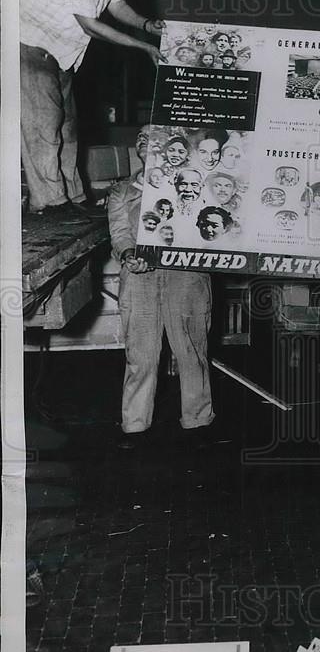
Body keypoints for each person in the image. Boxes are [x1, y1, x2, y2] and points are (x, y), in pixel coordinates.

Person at [20, 0, 165, 215]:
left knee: (68, 126)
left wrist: (147, 24)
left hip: (63, 50)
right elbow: (91, 26)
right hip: (29, 43)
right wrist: (141, 46)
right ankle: (48, 201)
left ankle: (72, 196)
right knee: (44, 126)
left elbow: (117, 4)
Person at [107, 128, 216, 449]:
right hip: (139, 276)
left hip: (186, 274)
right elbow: (120, 233)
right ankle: (135, 425)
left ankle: (198, 421)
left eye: (153, 136)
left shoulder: (197, 182)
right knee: (140, 353)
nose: (145, 141)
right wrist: (129, 255)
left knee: (191, 350)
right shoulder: (122, 190)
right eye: (139, 137)